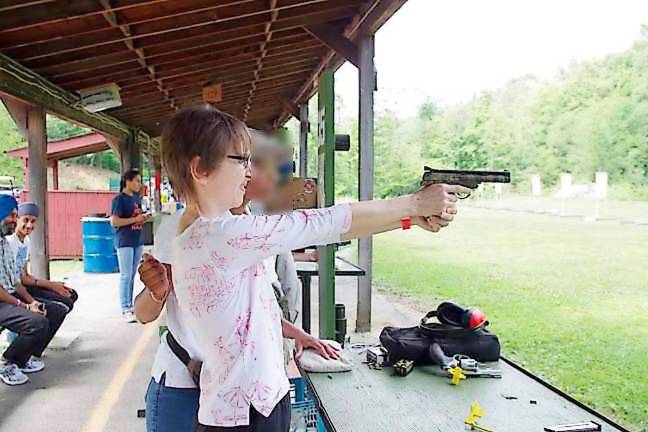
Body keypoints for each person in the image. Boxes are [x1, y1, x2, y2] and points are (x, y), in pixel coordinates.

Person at [160, 104, 467, 431]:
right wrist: (414, 205)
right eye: (240, 160)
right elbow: (323, 223)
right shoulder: (218, 237)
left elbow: (255, 312)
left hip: (253, 406)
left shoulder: (221, 230)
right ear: (200, 169)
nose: (249, 172)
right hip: (244, 417)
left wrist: (410, 218)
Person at [134, 130, 336, 432]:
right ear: (210, 171)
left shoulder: (255, 229)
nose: (263, 175)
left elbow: (254, 310)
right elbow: (143, 313)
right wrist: (157, 293)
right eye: (247, 163)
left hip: (236, 388)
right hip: (183, 382)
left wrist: (298, 334)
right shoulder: (179, 229)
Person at [0, 195, 68, 385]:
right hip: (3, 300)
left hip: (8, 297)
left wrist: (32, 302)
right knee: (37, 322)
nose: (16, 220)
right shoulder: (9, 242)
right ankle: (8, 362)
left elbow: (15, 280)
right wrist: (23, 304)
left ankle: (22, 359)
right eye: (12, 216)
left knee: (53, 310)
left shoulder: (3, 243)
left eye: (16, 215)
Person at [8, 202, 78, 312]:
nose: (29, 225)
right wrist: (51, 285)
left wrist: (52, 285)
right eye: (25, 220)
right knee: (59, 309)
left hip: (23, 285)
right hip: (13, 290)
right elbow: (19, 279)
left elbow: (25, 274)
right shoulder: (10, 241)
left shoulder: (26, 241)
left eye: (33, 221)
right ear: (17, 219)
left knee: (71, 295)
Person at [110, 169, 150, 322]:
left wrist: (143, 219)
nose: (139, 184)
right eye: (137, 181)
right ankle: (125, 307)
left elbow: (137, 217)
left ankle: (130, 306)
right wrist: (135, 220)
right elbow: (114, 222)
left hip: (137, 240)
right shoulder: (119, 200)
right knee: (126, 275)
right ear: (128, 181)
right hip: (124, 241)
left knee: (132, 274)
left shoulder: (136, 199)